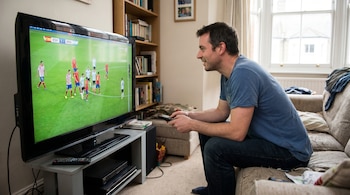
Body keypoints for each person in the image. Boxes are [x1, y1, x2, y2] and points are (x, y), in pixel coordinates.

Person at [168, 22, 312, 195]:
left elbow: (237, 132)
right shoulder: (228, 74)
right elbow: (220, 112)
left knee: (216, 148)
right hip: (270, 139)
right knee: (206, 131)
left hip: (290, 151)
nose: (198, 55)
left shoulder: (244, 73)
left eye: (202, 48)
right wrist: (190, 115)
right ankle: (215, 188)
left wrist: (192, 124)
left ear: (220, 48)